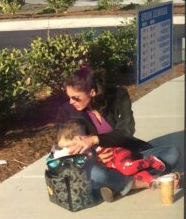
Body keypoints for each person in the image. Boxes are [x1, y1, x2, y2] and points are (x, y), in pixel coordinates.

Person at [61, 66, 179, 202]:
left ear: (92, 92)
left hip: (129, 154)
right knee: (95, 173)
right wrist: (95, 156)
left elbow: (126, 131)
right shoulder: (73, 111)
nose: (71, 102)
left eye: (75, 98)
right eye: (69, 97)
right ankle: (146, 182)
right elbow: (66, 145)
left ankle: (118, 184)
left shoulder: (118, 96)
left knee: (172, 152)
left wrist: (95, 139)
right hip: (104, 163)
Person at [54, 119, 169, 190]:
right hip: (113, 166)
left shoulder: (86, 145)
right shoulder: (76, 144)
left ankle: (150, 162)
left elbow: (125, 133)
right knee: (98, 174)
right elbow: (57, 154)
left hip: (119, 156)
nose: (66, 150)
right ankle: (147, 179)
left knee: (127, 169)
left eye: (67, 146)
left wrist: (93, 157)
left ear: (78, 138)